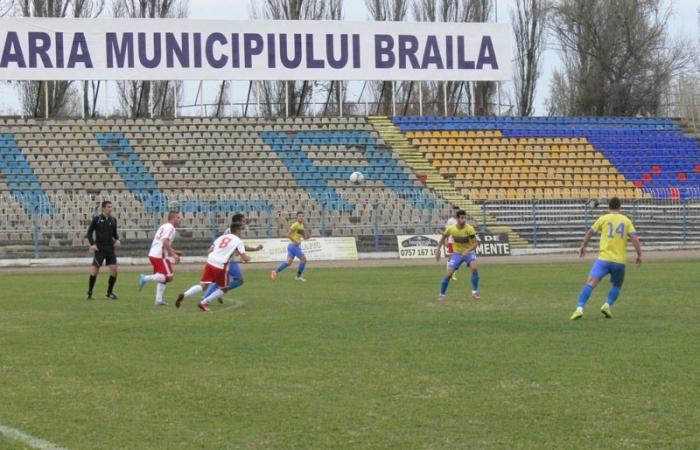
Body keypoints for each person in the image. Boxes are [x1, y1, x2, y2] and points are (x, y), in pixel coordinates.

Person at [571, 197, 642, 320]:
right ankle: (607, 305)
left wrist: (583, 246)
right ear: (620, 207)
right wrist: (639, 254)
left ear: (609, 206)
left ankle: (579, 309)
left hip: (603, 260)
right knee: (617, 285)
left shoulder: (603, 218)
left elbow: (590, 232)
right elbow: (634, 238)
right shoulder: (626, 220)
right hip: (619, 262)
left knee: (590, 283)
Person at [175, 217, 252, 312]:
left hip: (210, 261)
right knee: (224, 288)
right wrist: (249, 258)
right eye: (241, 229)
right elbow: (244, 258)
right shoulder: (238, 241)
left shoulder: (222, 237)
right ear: (238, 230)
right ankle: (204, 303)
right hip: (221, 265)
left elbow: (210, 250)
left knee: (203, 285)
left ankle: (184, 295)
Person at [200, 214, 263, 305]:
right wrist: (249, 252)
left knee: (221, 281)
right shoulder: (231, 232)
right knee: (239, 280)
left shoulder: (232, 231)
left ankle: (207, 296)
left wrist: (255, 249)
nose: (245, 223)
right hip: (226, 261)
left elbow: (240, 246)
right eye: (243, 221)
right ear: (238, 222)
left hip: (226, 260)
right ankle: (213, 295)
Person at [138, 211, 183, 306]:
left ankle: (158, 300)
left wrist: (174, 251)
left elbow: (162, 242)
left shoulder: (164, 226)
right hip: (160, 255)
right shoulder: (171, 228)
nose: (180, 219)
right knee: (169, 277)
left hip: (153, 254)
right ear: (173, 218)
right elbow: (164, 241)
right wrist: (173, 254)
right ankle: (145, 278)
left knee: (162, 278)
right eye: (178, 217)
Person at [435, 209, 481, 302]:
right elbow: (443, 238)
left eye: (465, 218)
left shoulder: (469, 229)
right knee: (449, 274)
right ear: (457, 218)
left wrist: (467, 251)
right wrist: (438, 250)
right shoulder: (451, 229)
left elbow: (475, 244)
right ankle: (441, 295)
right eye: (462, 218)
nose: (464, 220)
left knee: (474, 268)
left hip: (469, 253)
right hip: (457, 254)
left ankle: (475, 292)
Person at [85, 200, 120, 300]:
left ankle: (109, 293)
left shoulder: (113, 220)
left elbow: (115, 234)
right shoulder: (97, 219)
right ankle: (89, 292)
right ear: (103, 208)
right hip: (100, 248)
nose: (110, 208)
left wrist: (117, 240)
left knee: (114, 270)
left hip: (110, 248)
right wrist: (92, 244)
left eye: (111, 206)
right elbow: (89, 232)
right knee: (95, 271)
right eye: (108, 207)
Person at [271, 211, 309, 282]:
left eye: (302, 216)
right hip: (294, 246)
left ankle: (275, 272)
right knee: (304, 260)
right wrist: (295, 241)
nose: (301, 217)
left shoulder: (301, 226)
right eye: (299, 216)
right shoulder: (295, 225)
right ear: (297, 217)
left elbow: (304, 237)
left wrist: (307, 237)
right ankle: (298, 276)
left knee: (288, 262)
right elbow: (288, 235)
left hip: (291, 246)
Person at [445, 206, 461, 281]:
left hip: (460, 242)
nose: (455, 212)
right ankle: (448, 273)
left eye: (457, 211)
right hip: (451, 241)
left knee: (458, 258)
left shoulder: (461, 220)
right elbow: (446, 231)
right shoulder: (450, 221)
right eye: (454, 211)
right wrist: (446, 240)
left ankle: (453, 274)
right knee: (450, 257)